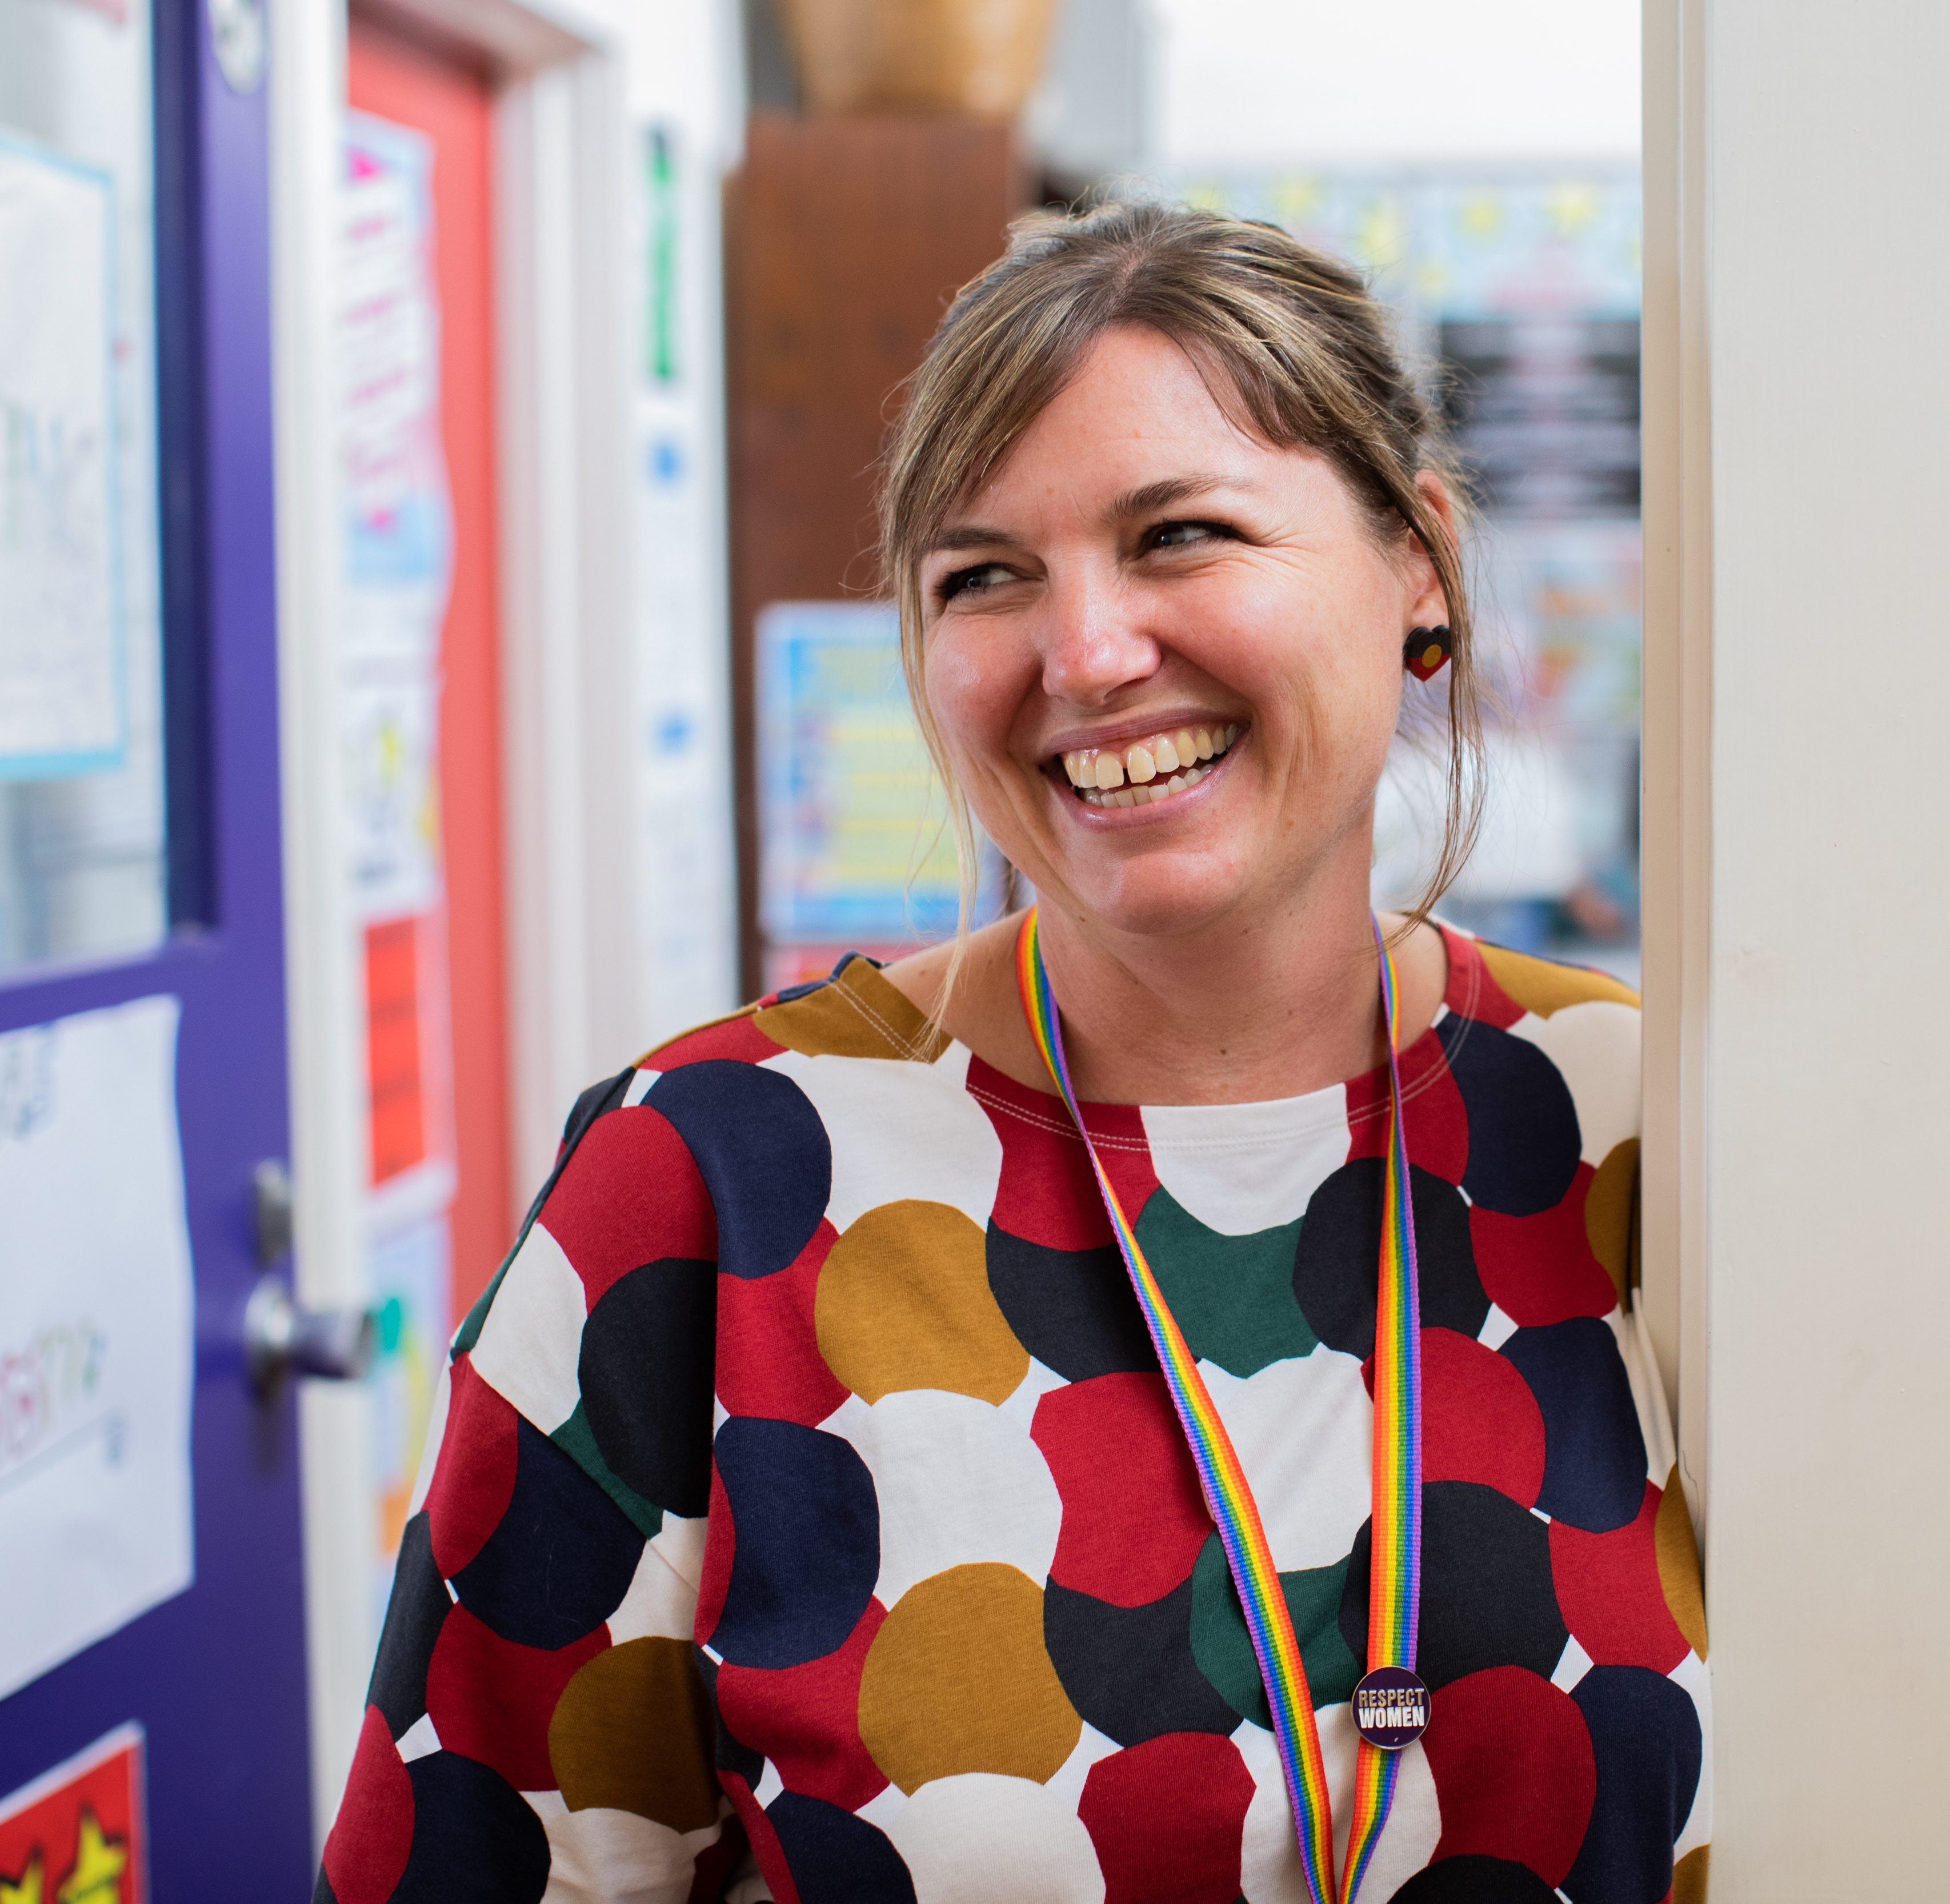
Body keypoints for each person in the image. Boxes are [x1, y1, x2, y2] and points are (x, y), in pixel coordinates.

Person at [317, 199, 1708, 1904]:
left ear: (1418, 560)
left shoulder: (1631, 1121)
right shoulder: (711, 1181)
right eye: (983, 577)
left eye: (1181, 534)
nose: (1089, 655)